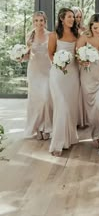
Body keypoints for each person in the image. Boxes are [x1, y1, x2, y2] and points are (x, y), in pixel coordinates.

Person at [48, 8, 80, 156]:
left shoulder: (77, 34)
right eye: (69, 17)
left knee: (70, 107)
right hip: (58, 73)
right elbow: (50, 53)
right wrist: (59, 63)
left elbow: (78, 53)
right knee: (61, 106)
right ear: (61, 18)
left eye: (73, 17)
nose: (72, 19)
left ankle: (70, 137)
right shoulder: (55, 35)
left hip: (73, 74)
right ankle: (57, 143)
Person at [76, 14, 99, 148]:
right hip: (88, 79)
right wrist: (82, 61)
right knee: (92, 109)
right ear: (91, 26)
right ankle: (95, 132)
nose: (98, 30)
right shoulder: (84, 37)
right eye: (95, 27)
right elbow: (77, 55)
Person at [24, 11, 53, 140]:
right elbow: (27, 55)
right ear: (33, 22)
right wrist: (21, 57)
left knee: (46, 99)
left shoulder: (51, 35)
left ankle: (47, 127)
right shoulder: (29, 35)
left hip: (47, 71)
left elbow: (53, 53)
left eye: (41, 20)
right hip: (34, 71)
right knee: (35, 101)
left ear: (45, 22)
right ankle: (38, 128)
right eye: (36, 20)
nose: (39, 23)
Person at [72, 6, 87, 127]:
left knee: (81, 89)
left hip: (82, 61)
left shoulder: (84, 29)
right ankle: (74, 118)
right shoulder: (67, 30)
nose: (78, 19)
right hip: (70, 61)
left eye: (79, 17)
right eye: (75, 16)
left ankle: (82, 119)